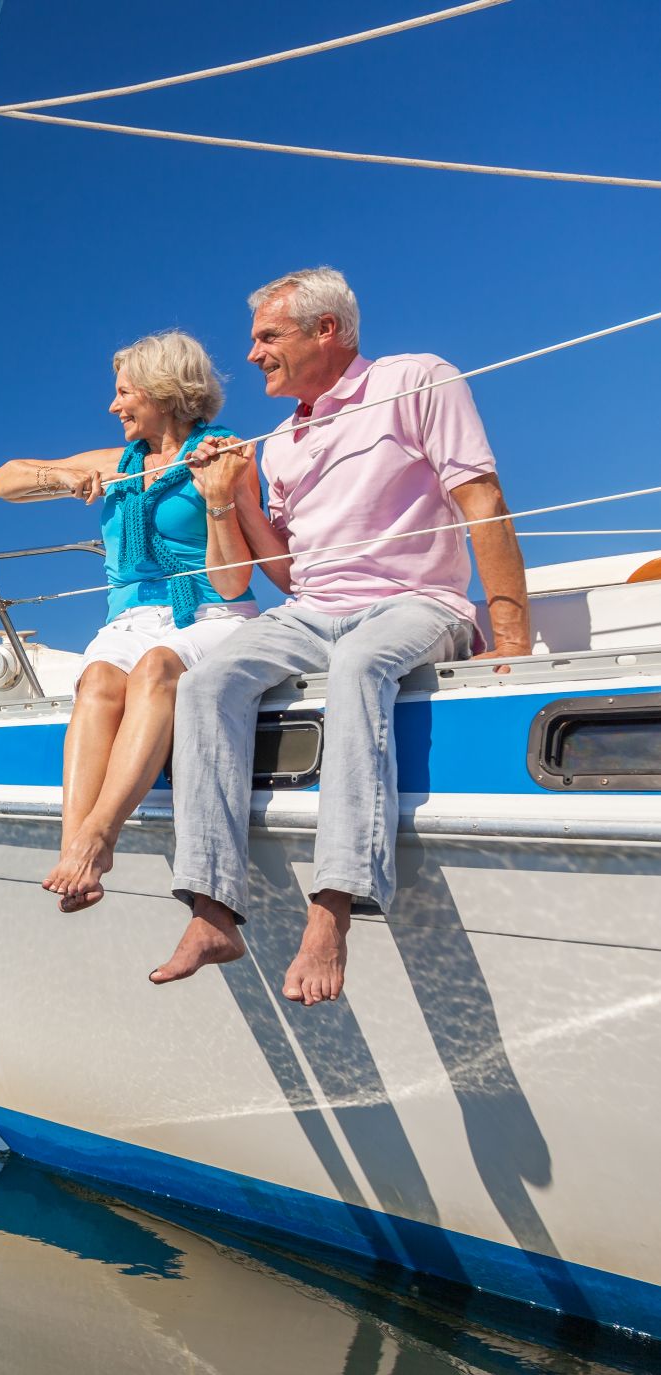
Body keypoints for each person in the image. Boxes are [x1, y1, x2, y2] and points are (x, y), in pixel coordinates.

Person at [150, 267, 531, 1004]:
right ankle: (213, 908)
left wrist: (510, 637)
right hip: (315, 609)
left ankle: (331, 912)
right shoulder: (283, 443)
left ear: (326, 330)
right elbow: (289, 577)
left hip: (418, 601)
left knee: (359, 665)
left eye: (268, 336)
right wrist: (230, 496)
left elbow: (480, 496)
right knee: (206, 682)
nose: (254, 353)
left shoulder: (416, 377)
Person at [0, 331, 262, 912]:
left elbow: (238, 577)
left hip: (211, 609)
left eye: (124, 394)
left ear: (163, 392)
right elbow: (3, 479)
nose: (114, 407)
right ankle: (73, 854)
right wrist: (60, 479)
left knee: (157, 669)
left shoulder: (225, 455)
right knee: (97, 683)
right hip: (131, 615)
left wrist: (216, 490)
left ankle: (99, 836)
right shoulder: (115, 463)